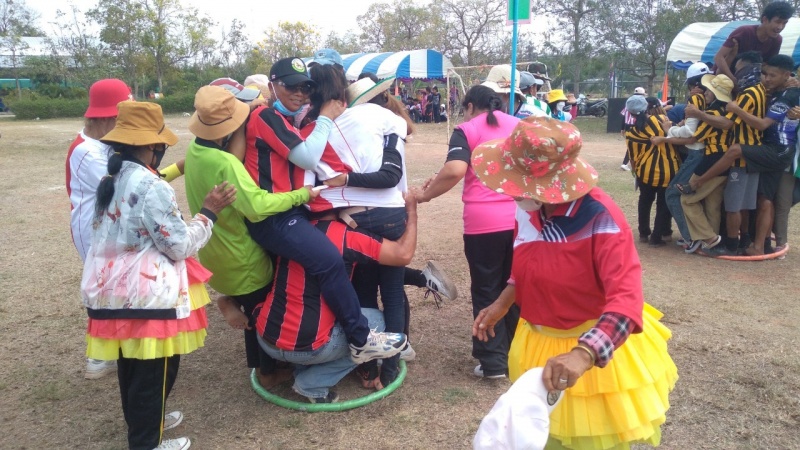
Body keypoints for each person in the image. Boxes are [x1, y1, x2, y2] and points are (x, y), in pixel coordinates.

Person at [471, 116, 677, 449]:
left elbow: (626, 301)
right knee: (539, 435)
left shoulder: (601, 218)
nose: (509, 190)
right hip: (538, 344)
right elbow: (528, 263)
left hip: (589, 356)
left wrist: (583, 355)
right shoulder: (529, 208)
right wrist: (502, 302)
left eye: (516, 182)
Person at [81, 101, 236, 450]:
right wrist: (208, 213)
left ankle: (148, 421)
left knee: (132, 366)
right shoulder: (153, 186)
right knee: (154, 370)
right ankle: (146, 442)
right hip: (145, 296)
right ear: (153, 145)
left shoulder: (111, 178)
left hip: (111, 290)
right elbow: (179, 246)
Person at [243, 56, 407, 364]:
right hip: (276, 215)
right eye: (290, 86)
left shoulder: (291, 122)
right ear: (272, 86)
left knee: (293, 274)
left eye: (305, 88)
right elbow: (308, 159)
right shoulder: (268, 116)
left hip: (292, 213)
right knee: (332, 261)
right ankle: (361, 340)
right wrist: (326, 119)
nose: (299, 93)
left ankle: (271, 364)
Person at [183, 85, 316, 389]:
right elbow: (256, 207)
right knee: (261, 313)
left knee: (251, 306)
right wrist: (301, 195)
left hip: (215, 254)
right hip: (242, 258)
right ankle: (268, 372)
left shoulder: (196, 151)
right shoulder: (226, 163)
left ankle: (230, 301)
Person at [65, 79, 185, 381]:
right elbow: (135, 187)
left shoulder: (107, 147)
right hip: (97, 229)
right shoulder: (86, 151)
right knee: (108, 286)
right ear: (106, 117)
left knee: (121, 288)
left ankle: (123, 346)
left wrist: (175, 169)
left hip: (118, 222)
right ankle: (101, 353)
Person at [255, 190, 420, 403]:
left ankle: (300, 366)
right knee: (378, 324)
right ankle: (311, 383)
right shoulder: (345, 236)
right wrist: (412, 211)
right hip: (307, 347)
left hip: (267, 338)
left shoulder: (289, 232)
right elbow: (403, 254)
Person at [416, 85, 520, 379]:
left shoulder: (467, 129)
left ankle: (493, 363)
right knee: (516, 289)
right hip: (521, 220)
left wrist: (425, 196)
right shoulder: (519, 126)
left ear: (470, 106)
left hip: (483, 223)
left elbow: (455, 170)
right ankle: (518, 355)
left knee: (487, 288)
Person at [683, 55, 800, 255]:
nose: (767, 78)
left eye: (771, 75)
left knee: (735, 198)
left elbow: (746, 124)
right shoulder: (771, 91)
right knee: (761, 200)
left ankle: (730, 242)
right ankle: (758, 244)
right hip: (766, 150)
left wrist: (729, 110)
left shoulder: (755, 94)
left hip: (770, 152)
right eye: (765, 74)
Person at [678, 74, 736, 252]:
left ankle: (710, 238)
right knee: (713, 204)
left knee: (687, 200)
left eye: (708, 90)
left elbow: (693, 137)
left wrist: (667, 133)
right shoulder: (728, 109)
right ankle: (712, 243)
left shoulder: (712, 113)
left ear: (715, 93)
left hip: (712, 160)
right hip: (726, 162)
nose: (705, 93)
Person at [661, 62, 711, 248]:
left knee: (672, 193)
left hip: (697, 152)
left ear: (692, 84)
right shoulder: (711, 98)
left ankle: (691, 237)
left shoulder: (696, 99)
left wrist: (670, 130)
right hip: (708, 152)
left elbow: (690, 133)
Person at [624, 96, 680, 247]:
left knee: (645, 201)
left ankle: (643, 233)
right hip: (668, 170)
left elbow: (633, 157)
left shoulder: (631, 133)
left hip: (645, 172)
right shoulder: (661, 119)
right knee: (663, 204)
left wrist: (636, 173)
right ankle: (657, 236)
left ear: (630, 112)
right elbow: (676, 134)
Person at [713, 1, 794, 83]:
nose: (780, 27)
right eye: (778, 22)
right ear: (765, 19)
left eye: (784, 23)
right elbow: (719, 57)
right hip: (722, 78)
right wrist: (733, 80)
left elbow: (768, 66)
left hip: (749, 79)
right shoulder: (744, 32)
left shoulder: (777, 40)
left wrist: (786, 78)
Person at [618, 87, 647, 170]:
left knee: (631, 144)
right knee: (635, 145)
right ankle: (625, 163)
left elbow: (624, 116)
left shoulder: (629, 102)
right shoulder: (643, 103)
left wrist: (622, 128)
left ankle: (628, 162)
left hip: (628, 126)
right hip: (636, 125)